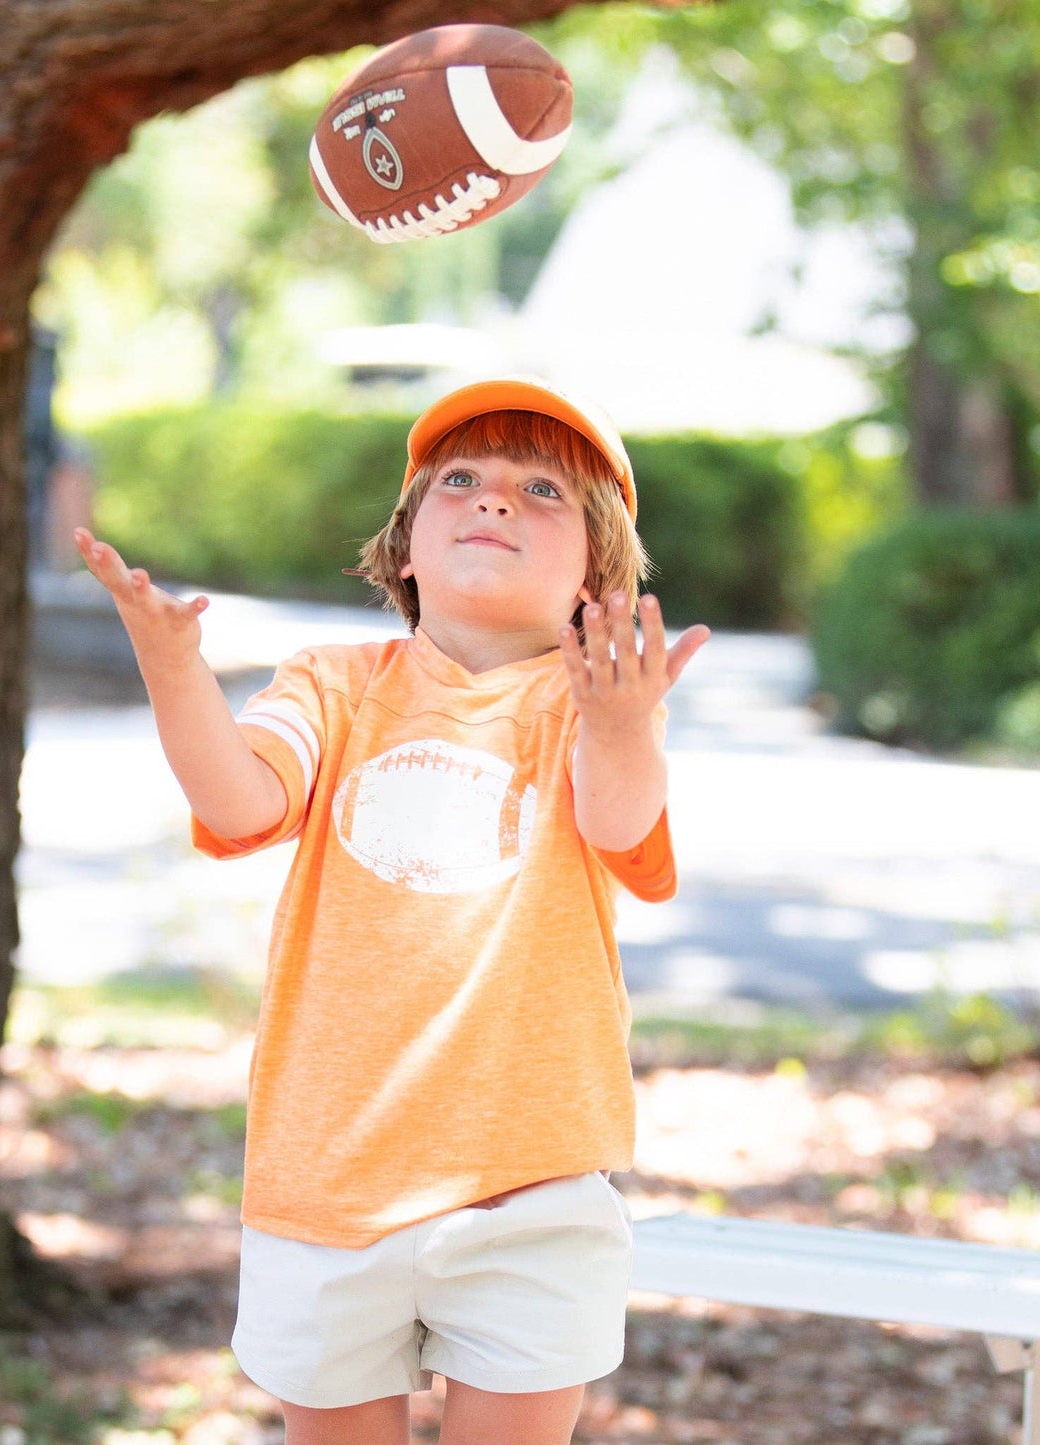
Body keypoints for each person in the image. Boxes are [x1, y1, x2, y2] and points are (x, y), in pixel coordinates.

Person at [73, 375, 710, 1445]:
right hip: (327, 1180)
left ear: (594, 577)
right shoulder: (334, 683)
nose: (493, 498)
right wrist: (173, 668)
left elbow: (618, 820)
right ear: (405, 548)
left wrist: (622, 722)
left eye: (542, 490)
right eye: (459, 479)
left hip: (530, 1187)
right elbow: (240, 800)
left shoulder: (591, 707)